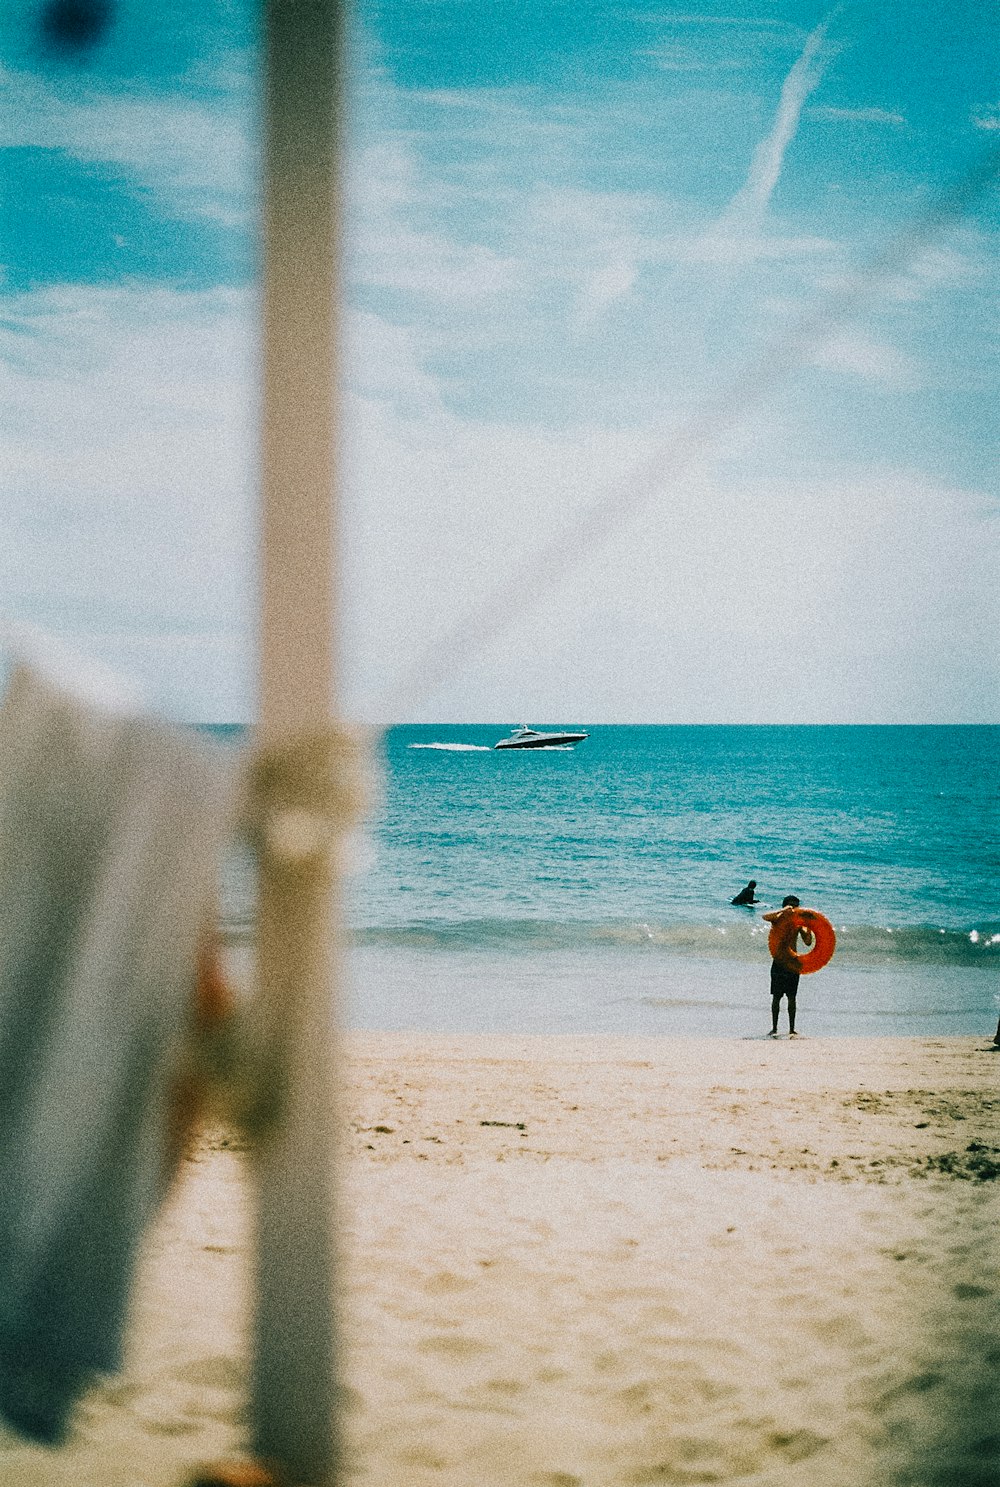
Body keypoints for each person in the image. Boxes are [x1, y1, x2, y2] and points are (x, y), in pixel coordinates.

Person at [762, 895, 813, 1037]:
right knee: (776, 997)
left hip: (792, 962)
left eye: (796, 906)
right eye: (791, 905)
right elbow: (764, 916)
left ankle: (792, 1029)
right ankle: (774, 1028)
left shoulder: (798, 923)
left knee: (792, 997)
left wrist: (809, 927)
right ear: (785, 905)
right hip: (779, 961)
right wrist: (783, 910)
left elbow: (808, 942)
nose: (793, 908)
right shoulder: (777, 919)